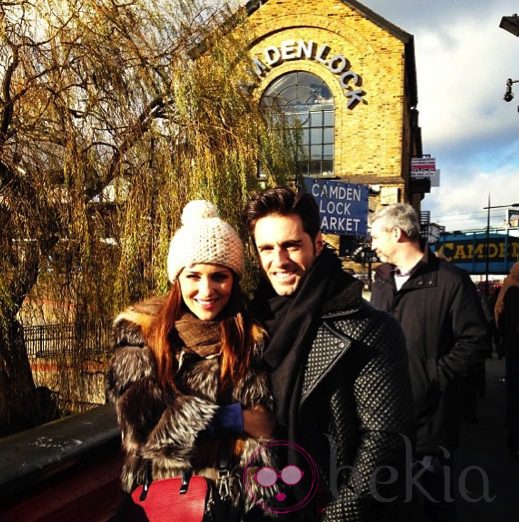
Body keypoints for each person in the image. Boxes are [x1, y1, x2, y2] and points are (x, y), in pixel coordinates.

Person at [244, 187, 417, 521]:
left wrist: (338, 517)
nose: (278, 260)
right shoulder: (249, 324)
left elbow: (386, 441)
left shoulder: (369, 327)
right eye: (266, 248)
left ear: (318, 243)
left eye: (291, 245)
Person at [107, 200, 276, 519]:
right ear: (178, 279)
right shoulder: (141, 331)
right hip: (164, 501)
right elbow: (143, 426)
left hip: (234, 503)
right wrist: (235, 419)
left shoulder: (249, 336)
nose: (206, 290)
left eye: (219, 277)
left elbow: (265, 426)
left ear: (234, 279)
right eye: (193, 276)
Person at [369, 203, 488, 522]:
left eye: (376, 236)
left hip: (430, 428)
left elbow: (475, 341)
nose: (372, 244)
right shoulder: (381, 281)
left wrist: (433, 379)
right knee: (388, 506)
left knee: (435, 505)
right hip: (382, 422)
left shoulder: (452, 281)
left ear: (397, 233)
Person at [494, 261, 519, 460]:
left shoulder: (509, 289)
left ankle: (513, 438)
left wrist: (502, 339)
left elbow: (499, 313)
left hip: (514, 349)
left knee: (514, 397)